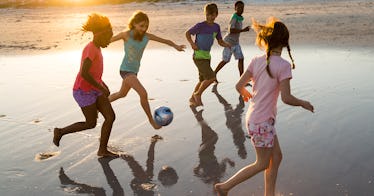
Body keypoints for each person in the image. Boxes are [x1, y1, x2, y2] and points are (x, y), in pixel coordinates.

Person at [214, 17, 314, 196]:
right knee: (261, 163)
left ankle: (270, 194)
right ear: (284, 42)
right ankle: (225, 187)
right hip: (263, 123)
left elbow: (238, 86)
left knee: (276, 158)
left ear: (267, 40)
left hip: (255, 119)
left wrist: (245, 93)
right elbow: (286, 98)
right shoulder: (283, 66)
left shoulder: (256, 60)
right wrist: (302, 103)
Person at [53, 13, 117, 157]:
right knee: (90, 123)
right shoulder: (90, 48)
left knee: (110, 117)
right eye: (108, 37)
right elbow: (84, 73)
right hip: (83, 91)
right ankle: (60, 131)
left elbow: (95, 74)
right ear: (99, 34)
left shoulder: (98, 48)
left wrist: (103, 85)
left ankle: (102, 150)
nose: (109, 40)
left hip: (95, 88)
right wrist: (101, 87)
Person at [109, 11, 185, 129]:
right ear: (134, 24)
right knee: (143, 94)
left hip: (134, 71)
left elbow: (166, 41)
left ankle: (101, 104)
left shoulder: (147, 37)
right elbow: (107, 41)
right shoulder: (125, 35)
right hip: (125, 70)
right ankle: (152, 121)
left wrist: (176, 46)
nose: (144, 29)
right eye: (141, 26)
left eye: (146, 26)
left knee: (122, 94)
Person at [186, 3, 231, 107]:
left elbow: (219, 41)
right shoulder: (200, 26)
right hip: (198, 56)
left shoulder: (216, 27)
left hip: (207, 57)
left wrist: (226, 44)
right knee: (211, 77)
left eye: (212, 15)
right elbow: (187, 33)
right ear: (205, 14)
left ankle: (192, 99)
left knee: (202, 80)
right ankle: (198, 94)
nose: (210, 17)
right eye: (207, 15)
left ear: (216, 14)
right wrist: (192, 43)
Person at [214, 1, 250, 82]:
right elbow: (231, 30)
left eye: (242, 7)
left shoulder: (239, 17)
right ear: (235, 8)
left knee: (241, 58)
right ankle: (214, 74)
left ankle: (242, 79)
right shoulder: (234, 17)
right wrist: (243, 30)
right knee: (225, 60)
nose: (241, 9)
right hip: (228, 43)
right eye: (239, 7)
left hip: (236, 43)